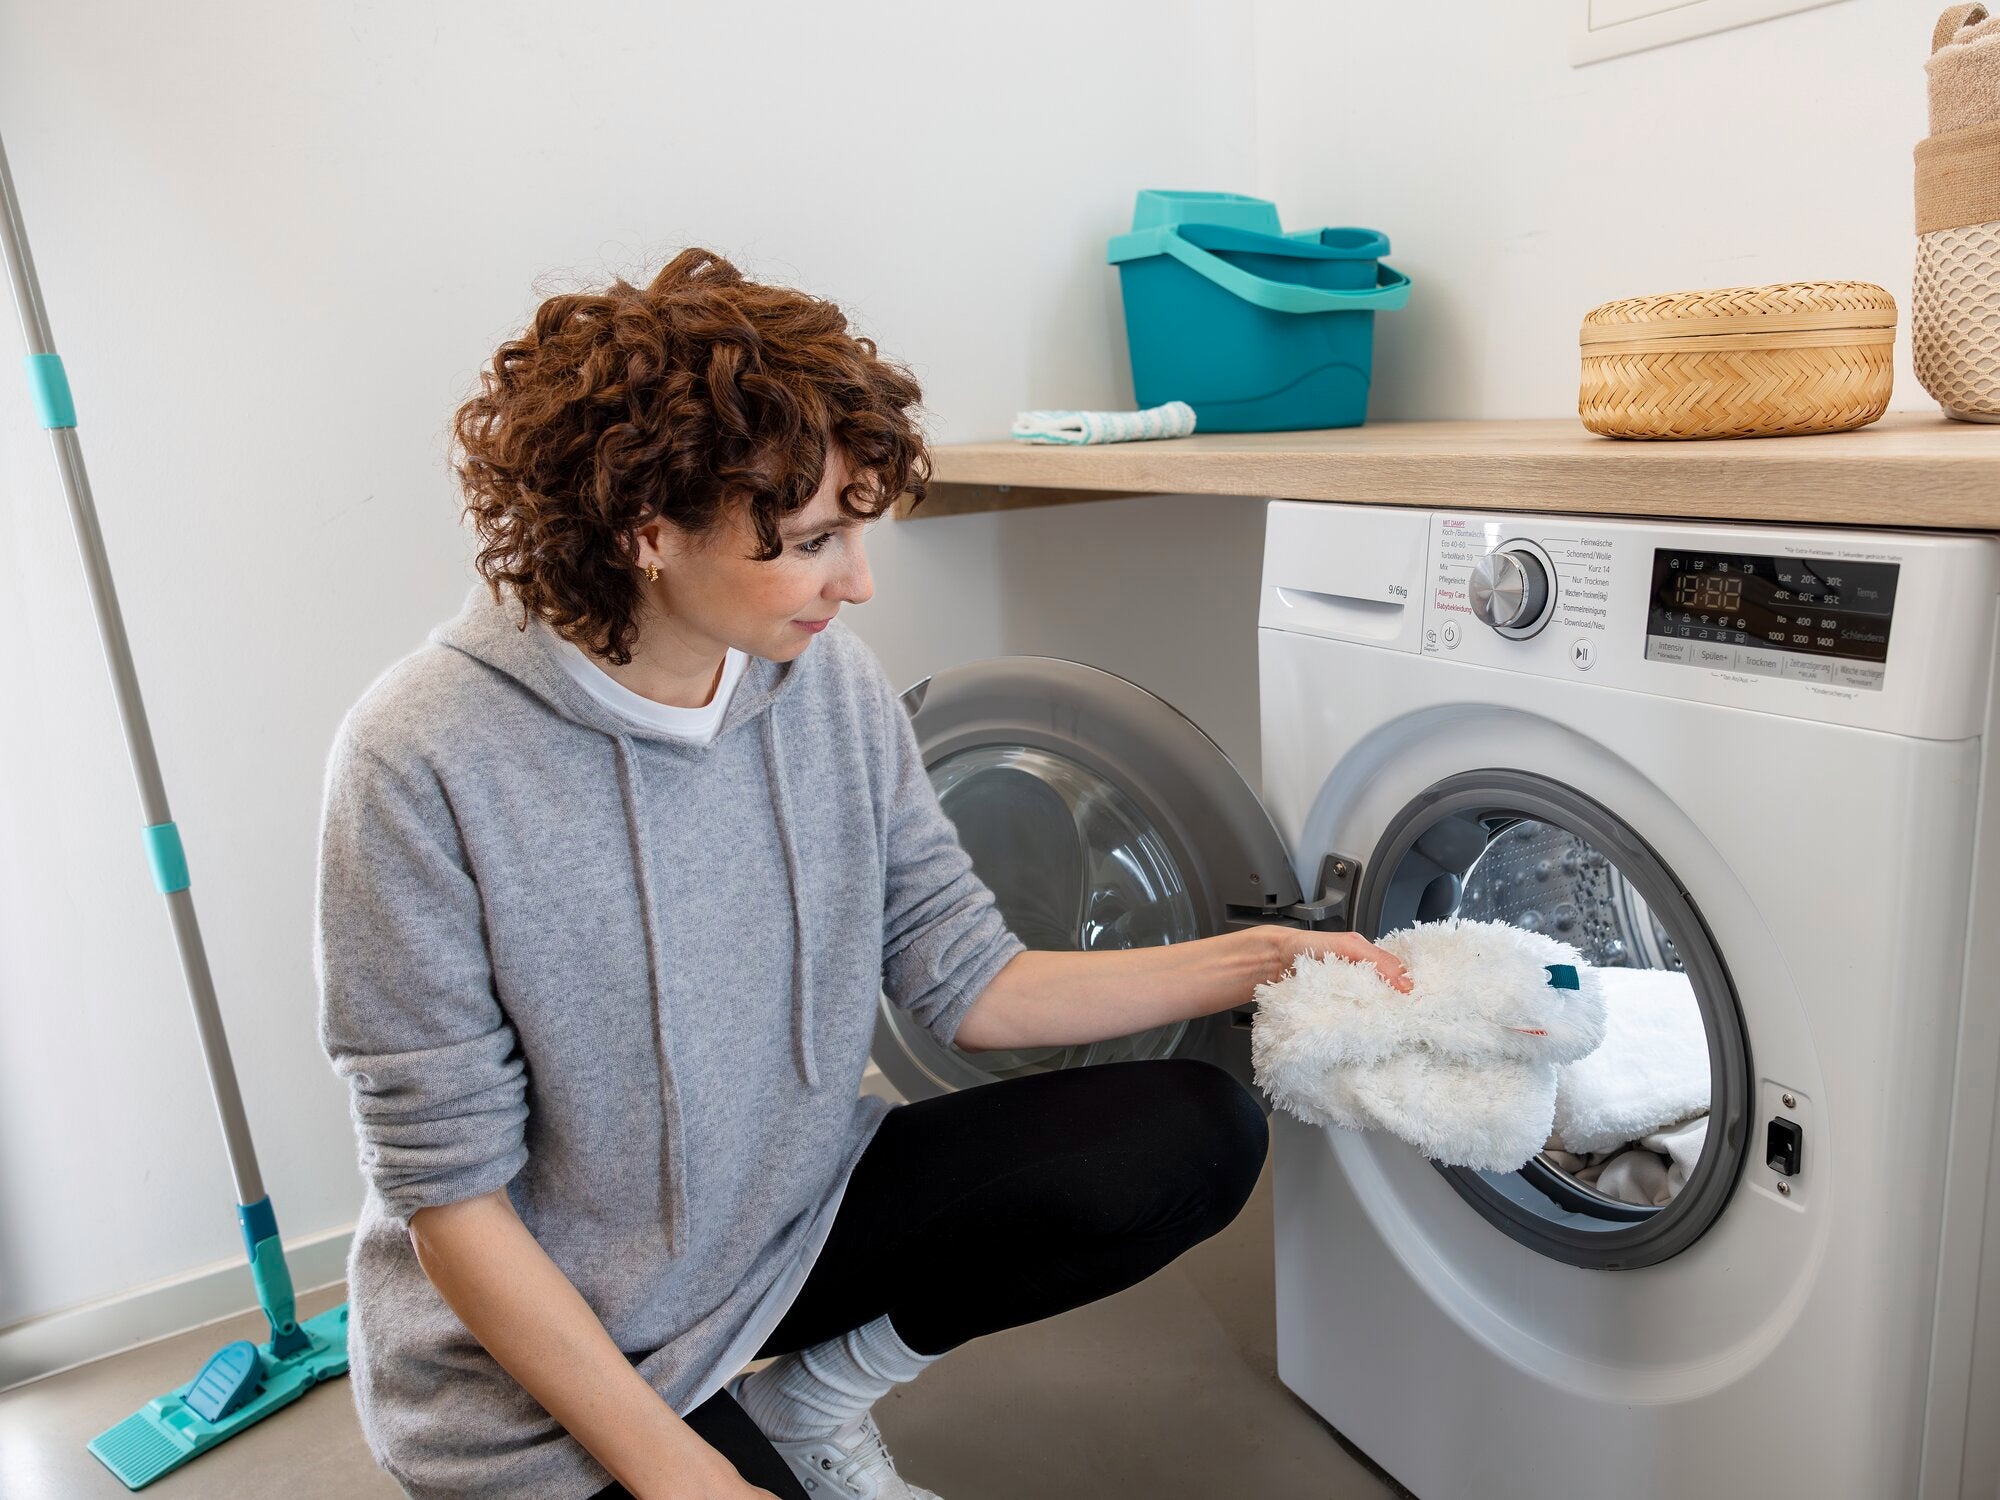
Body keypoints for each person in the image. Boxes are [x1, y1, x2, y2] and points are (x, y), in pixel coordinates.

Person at [314, 248, 1412, 1500]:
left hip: (784, 1219)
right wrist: (688, 1482)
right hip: (552, 1338)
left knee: (1194, 1131)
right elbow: (449, 1203)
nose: (860, 581)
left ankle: (804, 1401)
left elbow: (972, 983)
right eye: (812, 541)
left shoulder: (825, 684)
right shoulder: (420, 761)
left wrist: (1264, 960)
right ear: (646, 531)